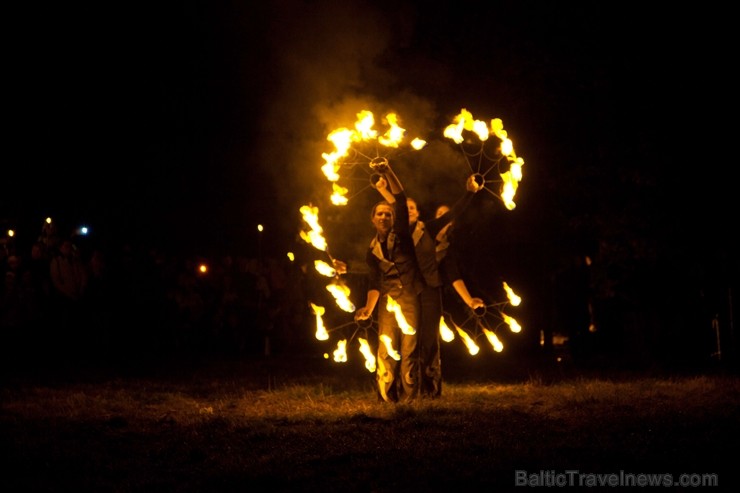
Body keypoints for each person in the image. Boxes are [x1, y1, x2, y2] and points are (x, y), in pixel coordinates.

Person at [373, 171, 483, 398]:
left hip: (430, 291)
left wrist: (469, 193)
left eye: (413, 208)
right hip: (404, 293)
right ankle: (398, 389)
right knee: (403, 341)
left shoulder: (428, 229)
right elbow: (376, 263)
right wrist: (382, 188)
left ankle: (430, 390)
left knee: (428, 339)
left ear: (419, 213)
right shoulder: (395, 234)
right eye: (406, 208)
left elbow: (453, 214)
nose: (409, 210)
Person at [354, 159, 425, 403]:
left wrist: (387, 171)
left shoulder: (402, 234)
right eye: (379, 214)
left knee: (409, 348)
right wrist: (367, 309)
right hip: (386, 302)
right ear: (372, 219)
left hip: (409, 299)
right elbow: (375, 282)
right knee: (385, 349)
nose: (384, 217)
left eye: (387, 214)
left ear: (393, 219)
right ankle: (385, 397)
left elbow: (401, 199)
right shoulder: (371, 250)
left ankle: (409, 398)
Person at [434, 204, 486, 313]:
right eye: (439, 214)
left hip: (426, 290)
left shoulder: (448, 247)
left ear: (451, 222)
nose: (443, 217)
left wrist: (469, 300)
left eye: (446, 215)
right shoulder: (423, 233)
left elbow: (453, 274)